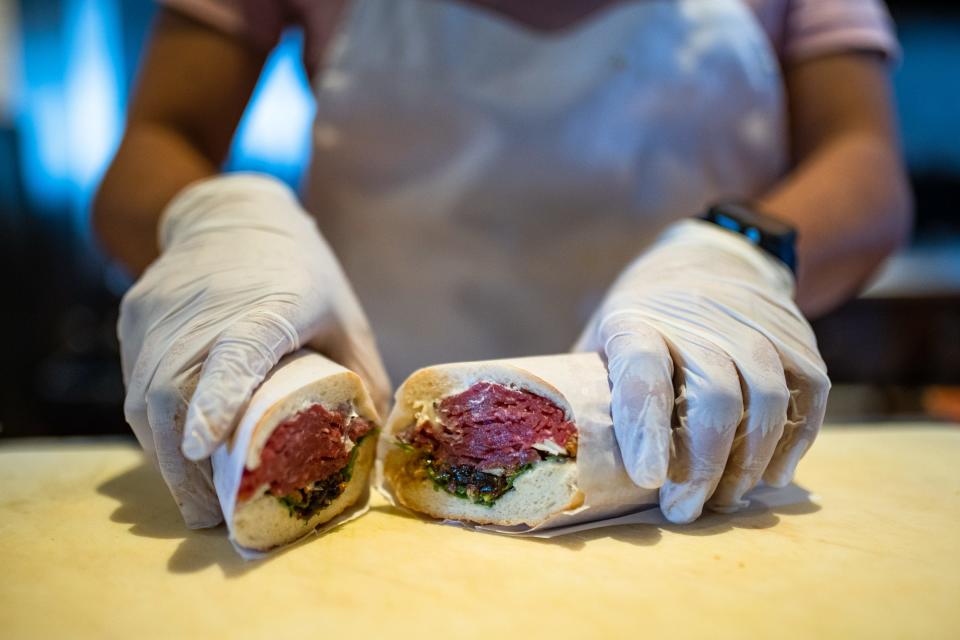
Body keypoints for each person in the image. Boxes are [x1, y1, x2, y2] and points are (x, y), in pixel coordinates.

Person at [94, 0, 912, 528]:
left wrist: (739, 252)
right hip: (378, 447)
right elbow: (152, 148)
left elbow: (864, 161)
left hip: (706, 428)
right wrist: (220, 224)